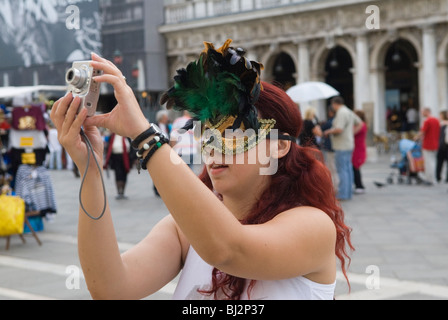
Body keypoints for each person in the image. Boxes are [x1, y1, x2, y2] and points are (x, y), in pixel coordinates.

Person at [50, 41, 353, 300]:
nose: (213, 147)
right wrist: (89, 166)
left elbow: (229, 250)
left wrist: (145, 136)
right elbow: (110, 287)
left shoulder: (313, 225)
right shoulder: (184, 229)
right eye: (206, 131)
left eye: (233, 133)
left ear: (279, 145)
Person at [324, 97, 363, 201]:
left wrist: (328, 132)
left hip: (341, 145)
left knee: (342, 170)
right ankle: (348, 192)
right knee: (348, 168)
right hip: (348, 144)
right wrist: (351, 133)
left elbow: (339, 129)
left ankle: (343, 193)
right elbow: (360, 123)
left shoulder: (341, 112)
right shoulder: (349, 111)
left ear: (334, 104)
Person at [415, 107, 440, 185]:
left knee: (429, 162)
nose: (422, 114)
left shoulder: (427, 121)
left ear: (426, 112)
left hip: (428, 144)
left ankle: (430, 178)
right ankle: (433, 178)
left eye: (422, 112)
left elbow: (422, 132)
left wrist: (416, 137)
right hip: (435, 143)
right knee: (433, 161)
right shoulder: (436, 120)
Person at [104, 133, 132, 199]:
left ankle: (123, 192)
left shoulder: (126, 136)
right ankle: (119, 192)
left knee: (124, 175)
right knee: (118, 174)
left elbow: (131, 148)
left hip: (125, 158)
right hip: (115, 158)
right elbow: (108, 148)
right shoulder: (112, 136)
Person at [352, 110, 368, 194]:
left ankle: (359, 186)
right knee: (354, 167)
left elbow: (352, 133)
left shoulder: (361, 125)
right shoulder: (361, 124)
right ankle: (358, 185)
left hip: (358, 148)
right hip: (357, 147)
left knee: (355, 167)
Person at [436, 110, 448, 183]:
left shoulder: (441, 124)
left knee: (440, 162)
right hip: (442, 145)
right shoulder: (441, 124)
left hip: (443, 145)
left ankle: (440, 177)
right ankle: (439, 177)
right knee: (440, 162)